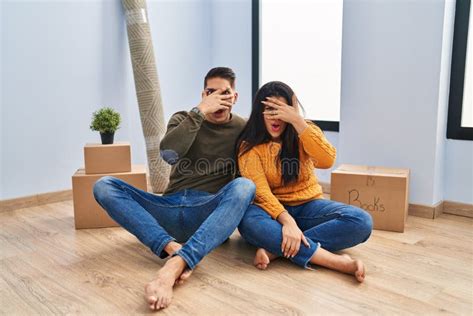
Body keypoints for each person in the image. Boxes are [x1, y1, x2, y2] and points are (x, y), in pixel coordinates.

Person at [93, 67, 255, 310]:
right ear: (203, 94)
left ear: (235, 97)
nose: (218, 100)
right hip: (167, 208)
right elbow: (169, 154)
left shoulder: (242, 127)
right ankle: (171, 247)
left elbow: (252, 172)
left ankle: (175, 264)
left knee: (245, 186)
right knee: (104, 185)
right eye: (211, 93)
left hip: (206, 211)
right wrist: (200, 111)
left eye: (225, 93)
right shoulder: (184, 118)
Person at [236, 81, 372, 282]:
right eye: (270, 110)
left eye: (282, 110)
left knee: (361, 222)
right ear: (259, 113)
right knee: (247, 222)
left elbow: (327, 160)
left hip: (308, 206)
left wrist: (298, 122)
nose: (276, 117)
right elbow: (261, 193)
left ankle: (277, 249)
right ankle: (336, 262)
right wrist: (287, 221)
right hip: (269, 211)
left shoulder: (304, 131)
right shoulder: (249, 146)